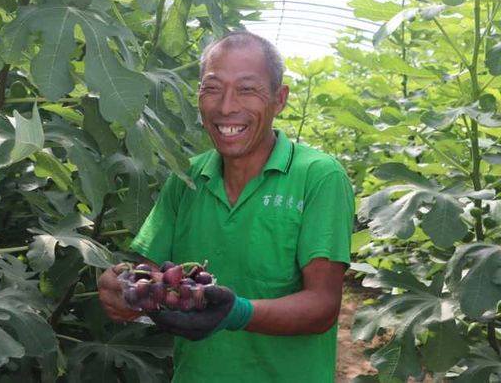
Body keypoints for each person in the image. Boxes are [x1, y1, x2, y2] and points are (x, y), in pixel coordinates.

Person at [98, 31, 354, 383]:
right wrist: (126, 288)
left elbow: (323, 307)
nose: (226, 107)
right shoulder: (187, 177)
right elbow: (153, 272)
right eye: (212, 88)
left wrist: (237, 313)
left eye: (248, 89)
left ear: (279, 100)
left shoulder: (319, 177)